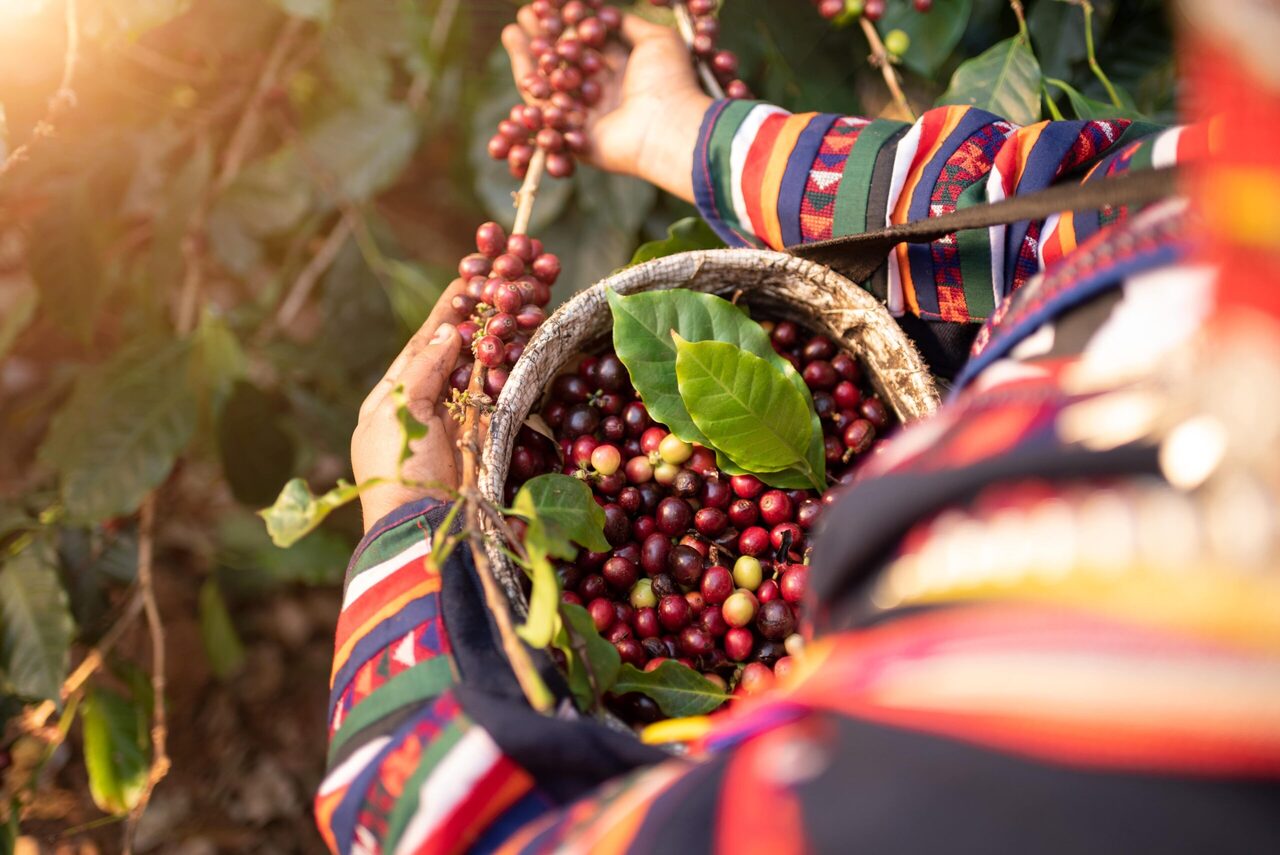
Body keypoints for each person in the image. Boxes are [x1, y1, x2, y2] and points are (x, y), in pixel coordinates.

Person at [319, 9, 1280, 854]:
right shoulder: (1242, 196)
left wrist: (405, 524)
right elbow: (1047, 212)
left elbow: (448, 826)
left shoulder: (1073, 750)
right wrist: (694, 137)